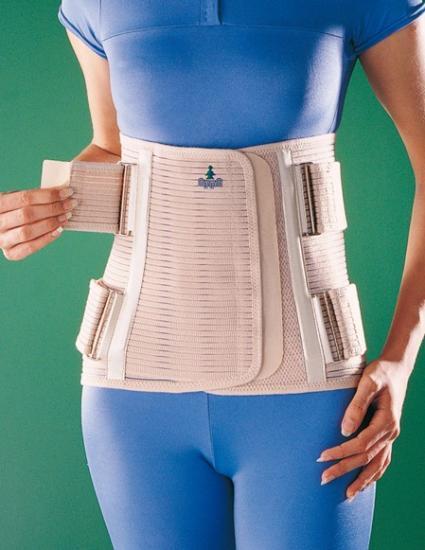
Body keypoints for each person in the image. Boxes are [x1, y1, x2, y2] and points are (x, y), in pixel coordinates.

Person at [1, 1, 425, 548]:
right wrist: (42, 208)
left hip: (307, 392)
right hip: (135, 392)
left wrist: (401, 358)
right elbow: (112, 147)